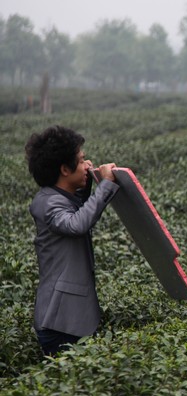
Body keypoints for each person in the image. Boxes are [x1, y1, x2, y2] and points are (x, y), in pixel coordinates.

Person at [25, 125, 119, 357]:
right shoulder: (48, 204)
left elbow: (75, 206)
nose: (88, 165)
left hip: (67, 320)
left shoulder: (56, 197)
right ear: (65, 169)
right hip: (61, 323)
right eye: (81, 161)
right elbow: (76, 224)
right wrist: (105, 185)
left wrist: (88, 184)